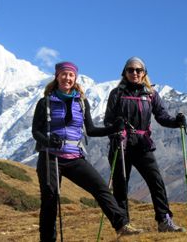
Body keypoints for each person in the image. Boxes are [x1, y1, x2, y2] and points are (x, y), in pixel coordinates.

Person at [32, 61, 143, 241]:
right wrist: (48, 140)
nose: (67, 78)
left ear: (75, 78)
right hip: (49, 156)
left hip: (75, 156)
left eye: (71, 75)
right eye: (64, 74)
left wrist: (114, 128)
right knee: (50, 200)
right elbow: (35, 131)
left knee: (100, 187)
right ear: (57, 76)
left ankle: (122, 225)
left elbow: (90, 130)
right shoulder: (44, 102)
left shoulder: (82, 102)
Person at [104, 56, 186, 233]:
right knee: (120, 186)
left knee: (155, 180)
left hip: (142, 144)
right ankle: (124, 225)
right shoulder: (116, 93)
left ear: (144, 73)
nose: (134, 73)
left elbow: (162, 116)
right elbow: (108, 121)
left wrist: (176, 122)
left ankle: (164, 221)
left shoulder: (151, 94)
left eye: (138, 70)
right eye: (130, 70)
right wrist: (115, 130)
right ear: (124, 73)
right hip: (121, 144)